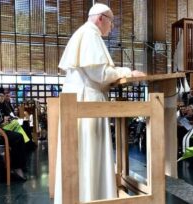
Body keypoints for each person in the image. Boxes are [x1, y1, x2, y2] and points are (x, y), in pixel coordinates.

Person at [54, 3, 145, 203]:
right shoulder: (90, 34)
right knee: (88, 153)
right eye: (111, 22)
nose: (112, 27)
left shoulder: (84, 33)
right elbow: (100, 74)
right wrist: (128, 72)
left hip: (82, 99)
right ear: (101, 18)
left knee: (85, 153)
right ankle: (90, 197)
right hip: (87, 102)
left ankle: (89, 195)